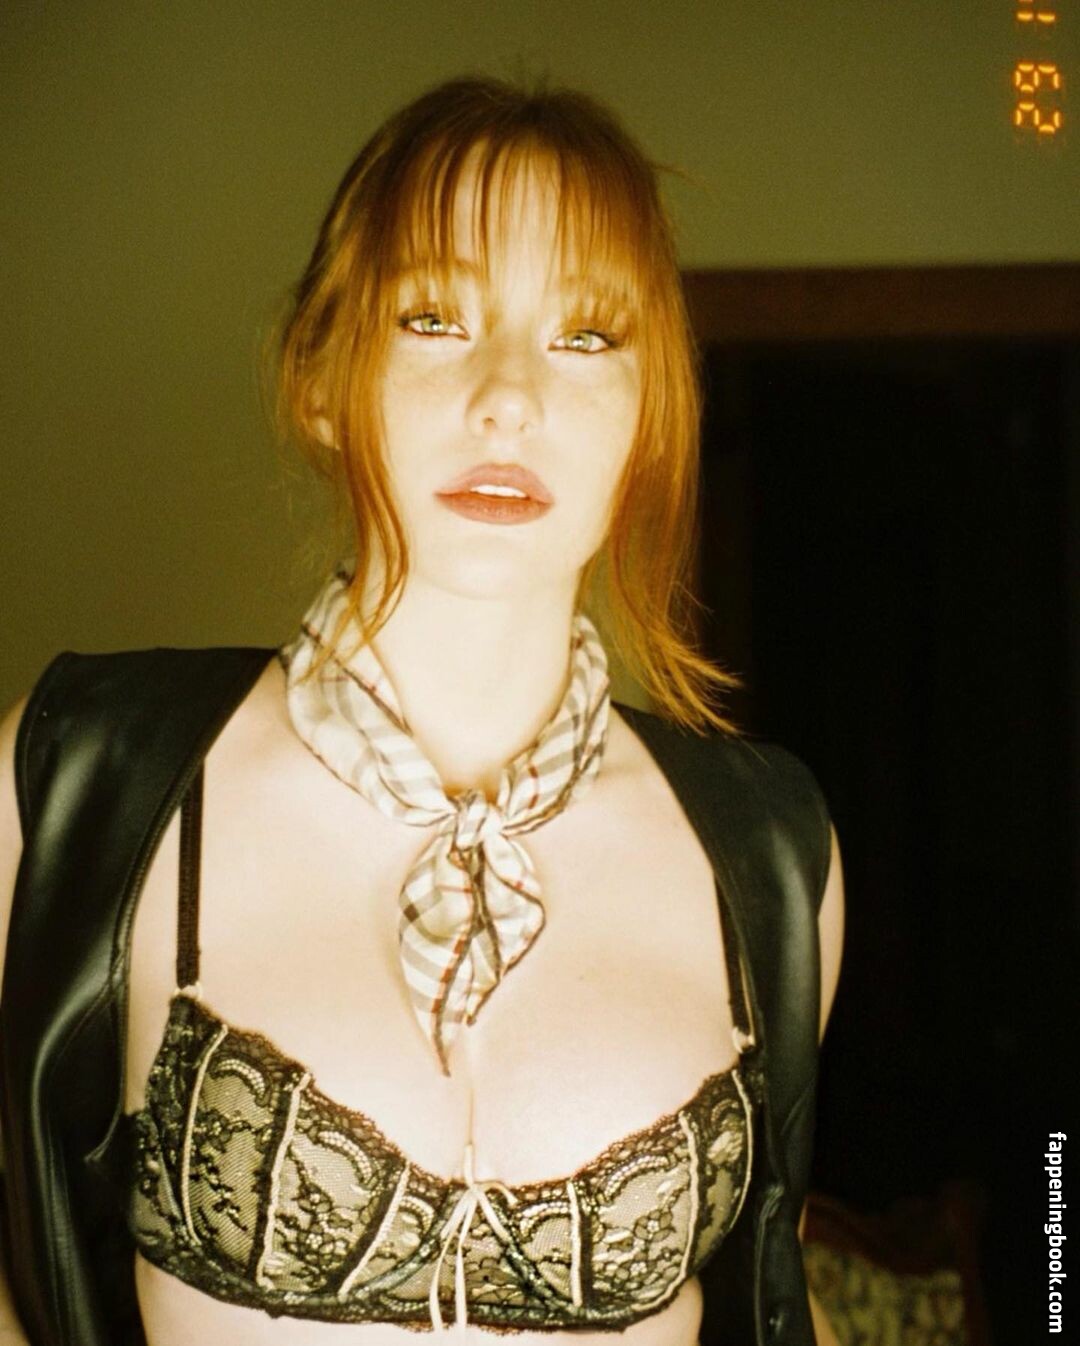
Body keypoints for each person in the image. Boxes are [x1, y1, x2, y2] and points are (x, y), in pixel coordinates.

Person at [0, 74, 844, 1345]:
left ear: (652, 413)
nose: (509, 396)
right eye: (437, 317)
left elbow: (774, 1291)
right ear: (321, 376)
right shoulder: (73, 778)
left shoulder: (775, 856)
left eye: (586, 336)